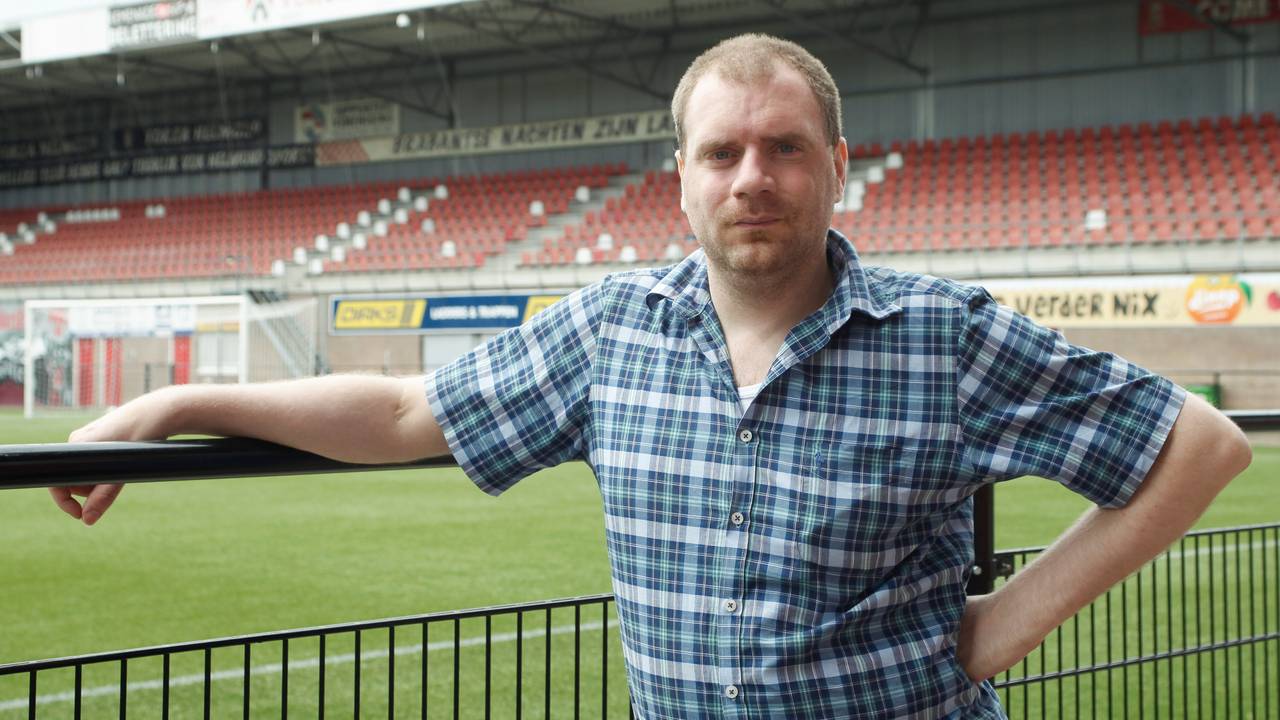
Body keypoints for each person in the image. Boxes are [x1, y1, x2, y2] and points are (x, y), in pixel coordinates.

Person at [55, 34, 1251, 719]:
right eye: (721, 152)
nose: (752, 178)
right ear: (676, 174)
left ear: (836, 166)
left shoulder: (941, 338)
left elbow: (1198, 446)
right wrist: (175, 403)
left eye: (784, 148)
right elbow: (409, 410)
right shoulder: (609, 332)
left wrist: (996, 629)